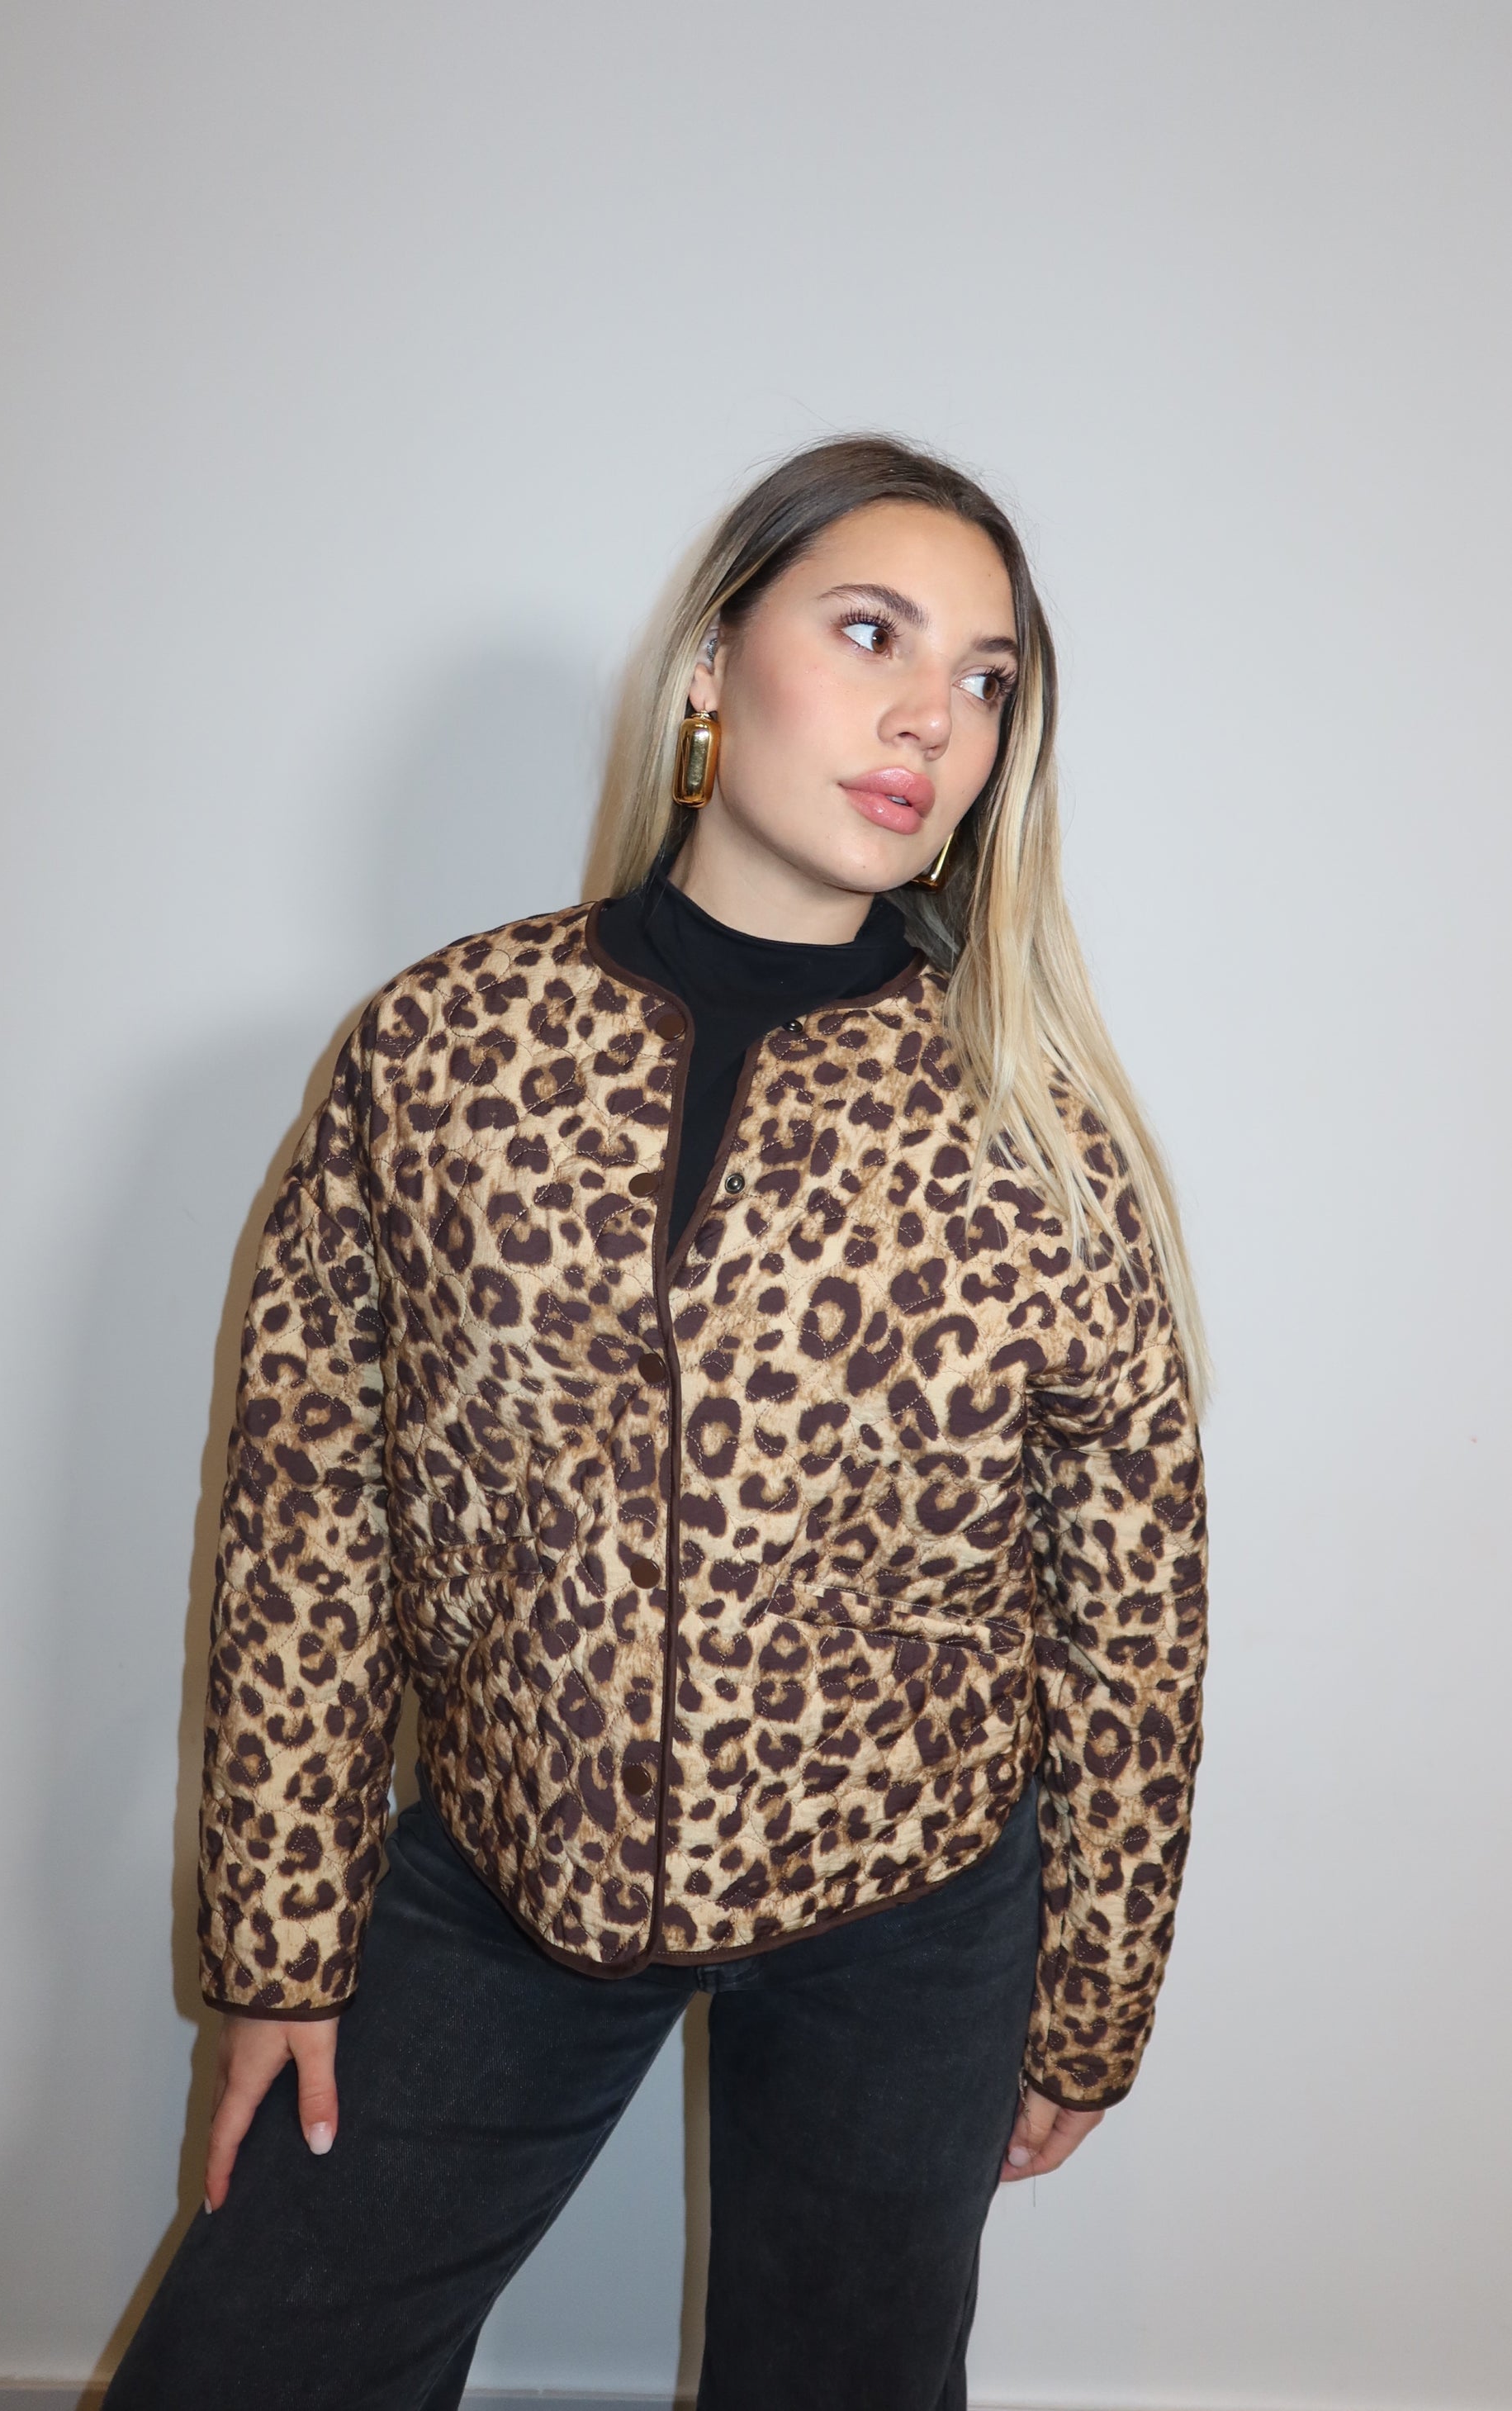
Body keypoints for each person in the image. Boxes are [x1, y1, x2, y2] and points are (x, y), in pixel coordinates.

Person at [104, 434, 1210, 2411]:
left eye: (984, 679)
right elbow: (305, 1514)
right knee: (245, 2364)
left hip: (912, 1907)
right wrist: (281, 1939)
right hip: (510, 1859)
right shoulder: (441, 1048)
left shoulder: (1031, 1125)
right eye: (868, 633)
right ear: (711, 663)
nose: (930, 719)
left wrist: (1089, 1995)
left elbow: (1132, 1605)